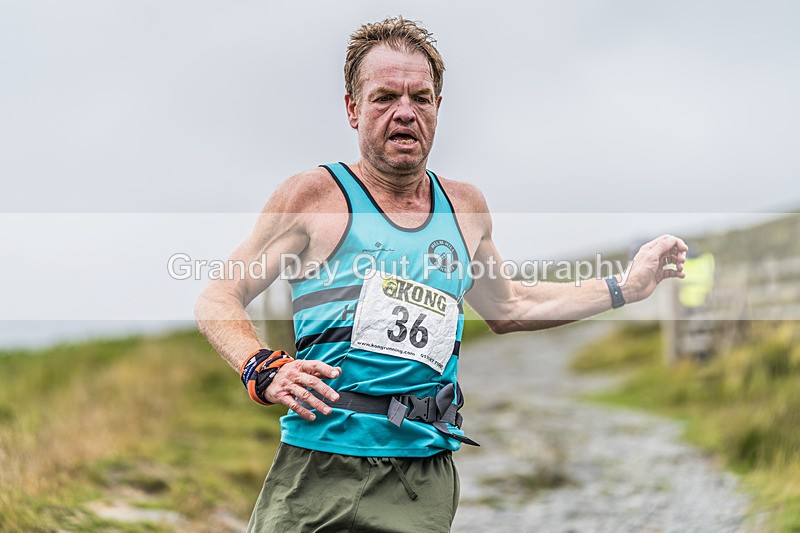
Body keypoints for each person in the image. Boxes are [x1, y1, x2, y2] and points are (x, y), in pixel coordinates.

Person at [194, 16, 688, 533]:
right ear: (352, 108)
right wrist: (262, 369)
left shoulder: (465, 209)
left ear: (437, 108)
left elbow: (512, 306)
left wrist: (624, 288)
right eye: (385, 97)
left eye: (420, 97)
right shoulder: (314, 197)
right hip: (320, 466)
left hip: (422, 478)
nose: (404, 111)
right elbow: (220, 295)